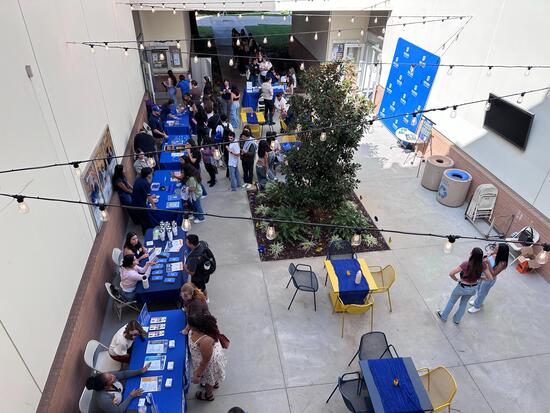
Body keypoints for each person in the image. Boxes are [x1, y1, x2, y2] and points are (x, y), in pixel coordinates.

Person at [437, 247, 491, 325]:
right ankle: (456, 320)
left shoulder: (466, 264)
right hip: (473, 288)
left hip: (462, 287)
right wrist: (479, 277)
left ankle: (443, 316)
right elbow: (490, 277)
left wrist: (457, 280)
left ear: (472, 254)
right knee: (463, 303)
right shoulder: (482, 265)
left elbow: (451, 273)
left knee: (452, 301)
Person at [188, 314, 227, 401]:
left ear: (196, 328)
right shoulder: (201, 328)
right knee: (212, 377)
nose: (188, 326)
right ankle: (215, 382)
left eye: (189, 325)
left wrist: (198, 375)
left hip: (208, 364)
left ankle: (208, 395)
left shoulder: (205, 340)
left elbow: (205, 361)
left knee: (208, 380)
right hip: (207, 359)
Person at [86, 364, 150, 413]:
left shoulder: (105, 377)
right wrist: (131, 396)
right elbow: (118, 411)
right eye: (110, 378)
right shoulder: (103, 399)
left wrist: (140, 371)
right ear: (106, 386)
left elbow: (123, 374)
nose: (113, 376)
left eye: (110, 374)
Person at [468, 243, 509, 313]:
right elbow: (487, 255)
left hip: (489, 279)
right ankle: (477, 301)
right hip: (483, 274)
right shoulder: (495, 253)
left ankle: (477, 306)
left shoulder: (502, 263)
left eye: (496, 249)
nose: (494, 249)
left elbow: (493, 274)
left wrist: (488, 263)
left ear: (501, 252)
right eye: (495, 248)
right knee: (478, 288)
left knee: (482, 293)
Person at [131, 167, 156, 233]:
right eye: (151, 173)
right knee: (145, 219)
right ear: (148, 175)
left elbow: (143, 192)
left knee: (142, 218)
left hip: (135, 201)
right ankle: (147, 232)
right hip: (140, 204)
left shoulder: (138, 179)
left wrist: (149, 195)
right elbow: (148, 196)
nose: (151, 174)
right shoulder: (145, 183)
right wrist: (153, 206)